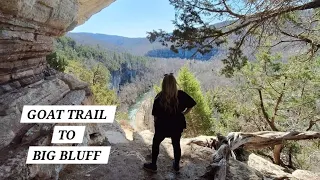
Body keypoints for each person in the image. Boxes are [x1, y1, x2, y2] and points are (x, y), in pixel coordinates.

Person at [143, 73, 197, 173]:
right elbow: (192, 104)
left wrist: (157, 127)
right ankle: (176, 165)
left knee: (156, 143)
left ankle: (153, 164)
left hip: (162, 126)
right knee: (176, 144)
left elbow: (155, 116)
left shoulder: (159, 97)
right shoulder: (181, 95)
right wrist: (183, 113)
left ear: (163, 85)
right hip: (177, 125)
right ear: (174, 84)